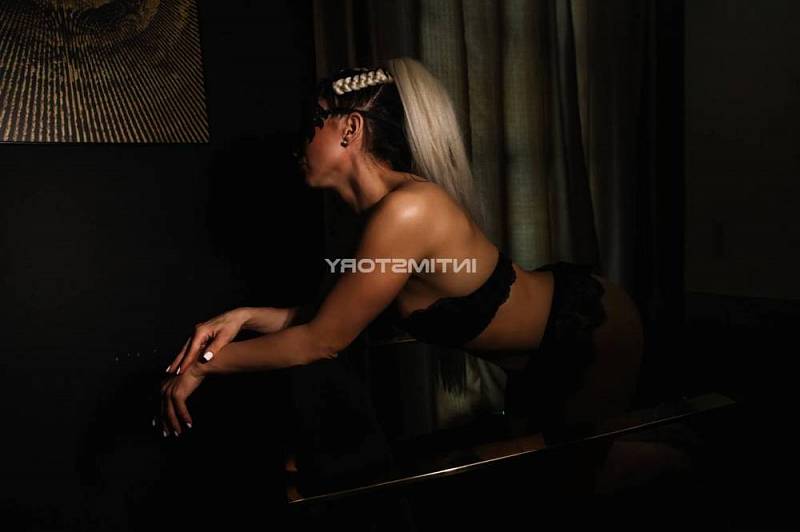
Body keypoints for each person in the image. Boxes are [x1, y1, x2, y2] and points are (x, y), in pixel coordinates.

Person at [156, 56, 643, 466]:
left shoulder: (408, 211)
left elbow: (322, 342)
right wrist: (242, 318)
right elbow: (327, 319)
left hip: (587, 330)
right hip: (536, 362)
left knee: (577, 490)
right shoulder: (372, 221)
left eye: (311, 125)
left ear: (350, 129)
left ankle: (687, 455)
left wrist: (203, 368)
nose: (299, 144)